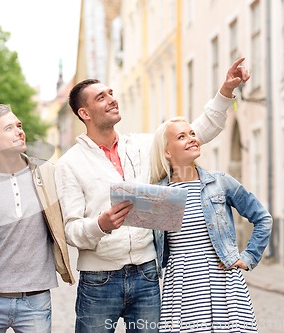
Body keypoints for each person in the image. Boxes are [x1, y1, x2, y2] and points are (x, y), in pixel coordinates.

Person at [54, 57, 250, 333]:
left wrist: (226, 92)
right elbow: (71, 230)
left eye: (111, 93)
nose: (112, 99)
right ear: (85, 113)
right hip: (99, 280)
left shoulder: (143, 145)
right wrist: (101, 225)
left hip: (146, 275)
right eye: (101, 97)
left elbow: (198, 132)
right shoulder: (69, 164)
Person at [150, 117, 272, 332]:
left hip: (223, 283)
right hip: (181, 286)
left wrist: (248, 257)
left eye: (192, 134)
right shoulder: (159, 194)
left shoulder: (220, 182)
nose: (191, 139)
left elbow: (263, 218)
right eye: (181, 136)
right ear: (167, 151)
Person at [0, 104, 75, 333]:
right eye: (9, 128)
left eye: (19, 125)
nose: (19, 131)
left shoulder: (48, 173)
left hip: (36, 300)